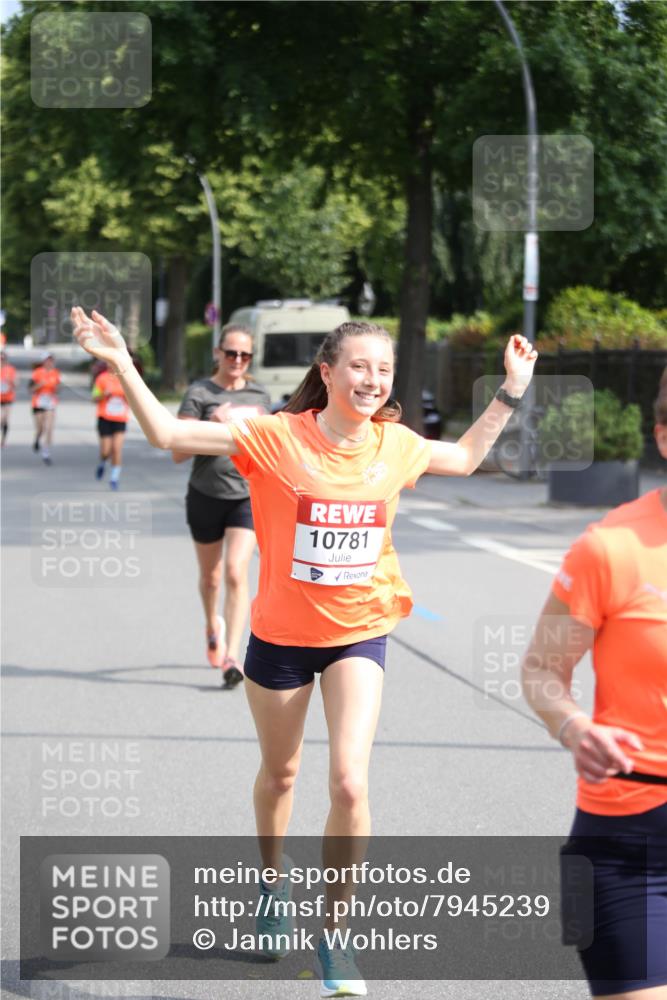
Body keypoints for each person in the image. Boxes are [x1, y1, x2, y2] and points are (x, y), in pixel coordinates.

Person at [71, 305, 537, 997]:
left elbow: (465, 458)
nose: (372, 380)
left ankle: (336, 938)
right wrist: (120, 361)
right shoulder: (273, 438)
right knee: (281, 775)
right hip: (282, 639)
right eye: (359, 367)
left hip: (358, 631)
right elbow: (167, 431)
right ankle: (268, 885)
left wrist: (510, 390)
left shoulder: (395, 444)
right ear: (327, 373)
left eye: (383, 370)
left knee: (350, 781)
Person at [521, 375, 667, 1000]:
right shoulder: (609, 548)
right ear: (663, 436)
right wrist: (573, 726)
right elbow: (540, 670)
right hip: (627, 848)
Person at [171, 325, 271, 687]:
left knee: (235, 572)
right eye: (231, 354)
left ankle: (232, 654)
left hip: (246, 495)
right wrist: (211, 424)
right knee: (211, 577)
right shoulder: (200, 392)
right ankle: (212, 622)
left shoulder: (260, 395)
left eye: (245, 356)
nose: (238, 362)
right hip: (205, 494)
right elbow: (178, 451)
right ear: (218, 352)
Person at [92, 361, 130, 489]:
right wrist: (104, 394)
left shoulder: (125, 379)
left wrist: (126, 397)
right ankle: (102, 462)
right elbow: (94, 398)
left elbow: (133, 399)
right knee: (106, 451)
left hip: (120, 418)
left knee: (116, 449)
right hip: (105, 418)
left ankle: (114, 478)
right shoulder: (101, 378)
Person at [29, 351, 61, 464]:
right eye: (48, 360)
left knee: (49, 427)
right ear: (43, 362)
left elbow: (58, 388)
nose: (50, 362)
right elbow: (30, 389)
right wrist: (39, 385)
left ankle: (46, 452)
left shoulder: (56, 373)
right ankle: (37, 439)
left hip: (50, 403)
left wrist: (56, 390)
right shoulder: (37, 373)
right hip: (38, 403)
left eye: (51, 360)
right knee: (40, 428)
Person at [0, 349, 18, 446]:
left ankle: (3, 439)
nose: (1, 361)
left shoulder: (11, 370)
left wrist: (10, 381)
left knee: (5, 419)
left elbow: (16, 385)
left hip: (8, 398)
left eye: (3, 359)